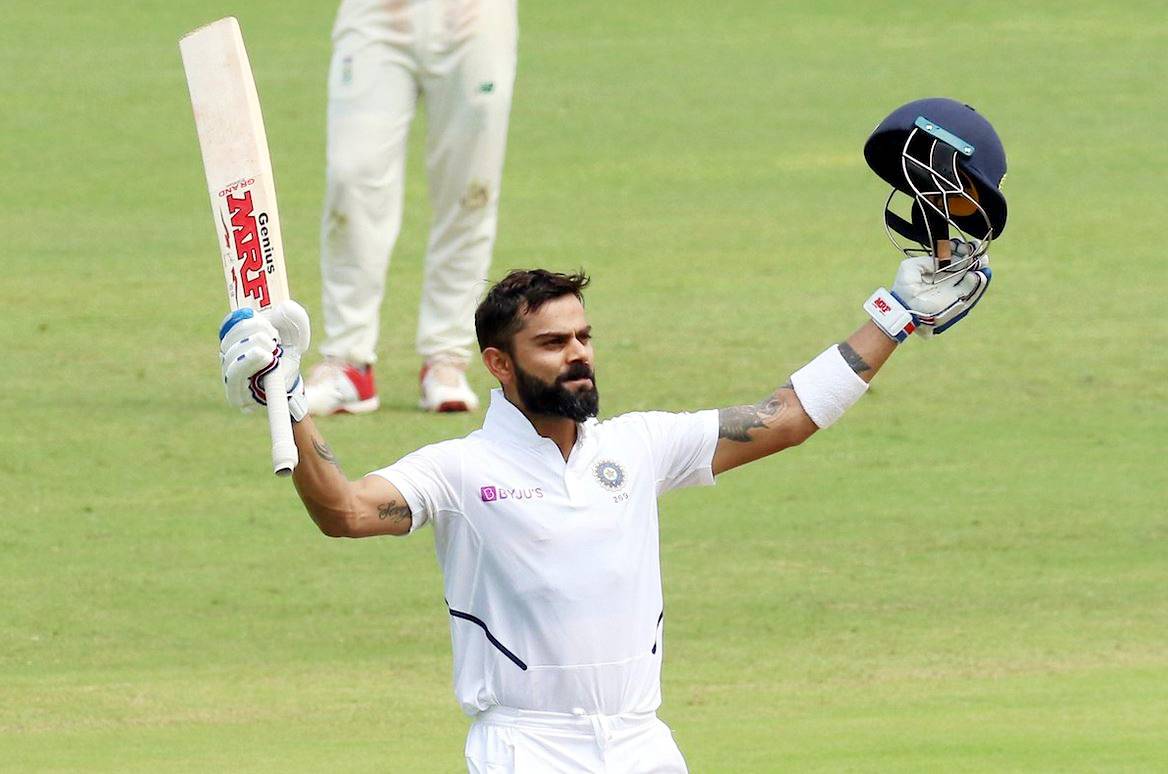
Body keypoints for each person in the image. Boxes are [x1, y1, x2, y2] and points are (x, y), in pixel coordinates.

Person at [216, 100, 1005, 771]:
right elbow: (345, 511)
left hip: (641, 743)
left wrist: (895, 318)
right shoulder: (459, 470)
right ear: (498, 364)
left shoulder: (638, 447)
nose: (578, 355)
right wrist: (290, 400)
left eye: (583, 337)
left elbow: (787, 416)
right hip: (528, 746)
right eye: (553, 344)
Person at [306, 0, 518, 416]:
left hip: (474, 14)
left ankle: (446, 358)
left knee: (469, 189)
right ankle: (348, 361)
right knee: (352, 176)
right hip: (376, 14)